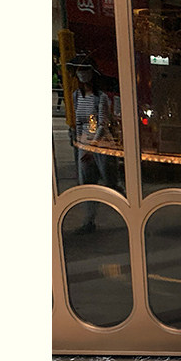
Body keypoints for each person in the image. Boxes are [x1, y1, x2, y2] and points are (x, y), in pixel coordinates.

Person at [67, 53, 113, 233]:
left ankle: (129, 210)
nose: (81, 74)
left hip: (101, 144)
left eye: (85, 70)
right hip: (85, 144)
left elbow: (102, 124)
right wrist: (80, 145)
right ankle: (89, 220)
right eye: (79, 71)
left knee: (110, 182)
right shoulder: (76, 96)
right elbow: (79, 123)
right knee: (86, 184)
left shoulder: (101, 97)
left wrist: (91, 148)